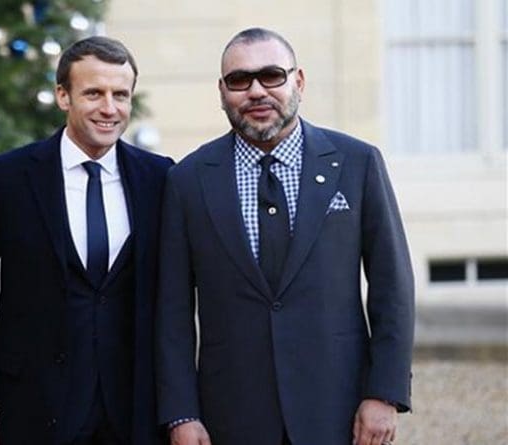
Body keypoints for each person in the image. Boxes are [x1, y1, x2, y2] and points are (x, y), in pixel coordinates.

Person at [155, 27, 414, 445]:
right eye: (240, 81)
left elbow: (392, 287)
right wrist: (181, 413)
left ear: (299, 80)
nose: (256, 91)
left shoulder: (357, 163)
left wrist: (384, 393)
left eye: (272, 75)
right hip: (231, 414)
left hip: (339, 408)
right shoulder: (187, 180)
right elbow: (172, 311)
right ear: (222, 92)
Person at [0, 36, 174, 445]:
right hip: (35, 407)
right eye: (93, 93)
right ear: (62, 95)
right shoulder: (6, 179)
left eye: (120, 95)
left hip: (134, 410)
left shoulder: (161, 179)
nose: (109, 108)